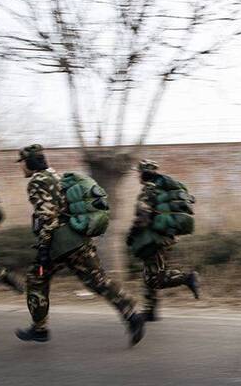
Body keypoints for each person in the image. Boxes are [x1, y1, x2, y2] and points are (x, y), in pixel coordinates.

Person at [14, 144, 145, 345]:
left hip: (60, 244)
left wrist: (43, 248)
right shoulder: (56, 177)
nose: (21, 167)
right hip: (78, 238)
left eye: (22, 163)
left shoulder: (37, 181)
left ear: (29, 162)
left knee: (36, 280)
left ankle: (40, 329)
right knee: (97, 280)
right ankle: (131, 314)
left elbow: (47, 216)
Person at [126, 159, 200, 322]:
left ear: (143, 173)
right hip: (168, 237)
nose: (138, 176)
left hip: (155, 240)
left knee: (155, 278)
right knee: (150, 273)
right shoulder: (163, 190)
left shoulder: (148, 190)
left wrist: (131, 234)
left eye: (139, 172)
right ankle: (150, 311)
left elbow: (142, 217)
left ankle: (187, 278)